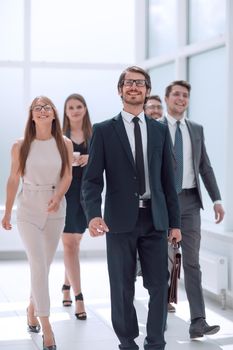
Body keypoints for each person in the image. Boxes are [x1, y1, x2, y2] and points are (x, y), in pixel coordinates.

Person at [82, 66, 182, 350]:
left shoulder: (160, 131)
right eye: (129, 83)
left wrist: (175, 223)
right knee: (122, 288)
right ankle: (127, 343)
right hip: (118, 221)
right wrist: (93, 215)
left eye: (140, 83)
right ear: (120, 90)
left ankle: (156, 343)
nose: (134, 87)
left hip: (155, 218)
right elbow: (91, 181)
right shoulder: (103, 131)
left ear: (147, 90)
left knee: (159, 285)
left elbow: (167, 181)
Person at [1, 96, 73, 350]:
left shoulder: (64, 143)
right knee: (38, 266)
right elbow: (12, 180)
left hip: (55, 207)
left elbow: (67, 175)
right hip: (28, 208)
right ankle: (47, 327)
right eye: (37, 108)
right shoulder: (20, 145)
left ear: (54, 114)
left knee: (45, 264)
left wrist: (58, 196)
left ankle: (32, 308)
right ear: (31, 116)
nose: (42, 112)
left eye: (47, 108)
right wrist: (7, 212)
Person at [163, 80, 225, 339]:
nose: (181, 98)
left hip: (189, 201)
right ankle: (158, 313)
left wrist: (217, 199)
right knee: (160, 260)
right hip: (163, 201)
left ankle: (198, 321)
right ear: (167, 98)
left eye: (185, 95)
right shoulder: (155, 129)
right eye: (176, 94)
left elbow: (205, 166)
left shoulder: (196, 129)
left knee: (192, 263)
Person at [61, 93, 92, 320]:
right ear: (65, 111)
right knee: (70, 244)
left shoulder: (95, 134)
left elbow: (104, 160)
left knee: (75, 242)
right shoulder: (59, 137)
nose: (75, 110)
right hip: (66, 193)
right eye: (70, 107)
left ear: (85, 109)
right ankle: (79, 297)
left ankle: (65, 284)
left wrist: (89, 158)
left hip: (87, 194)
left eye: (79, 106)